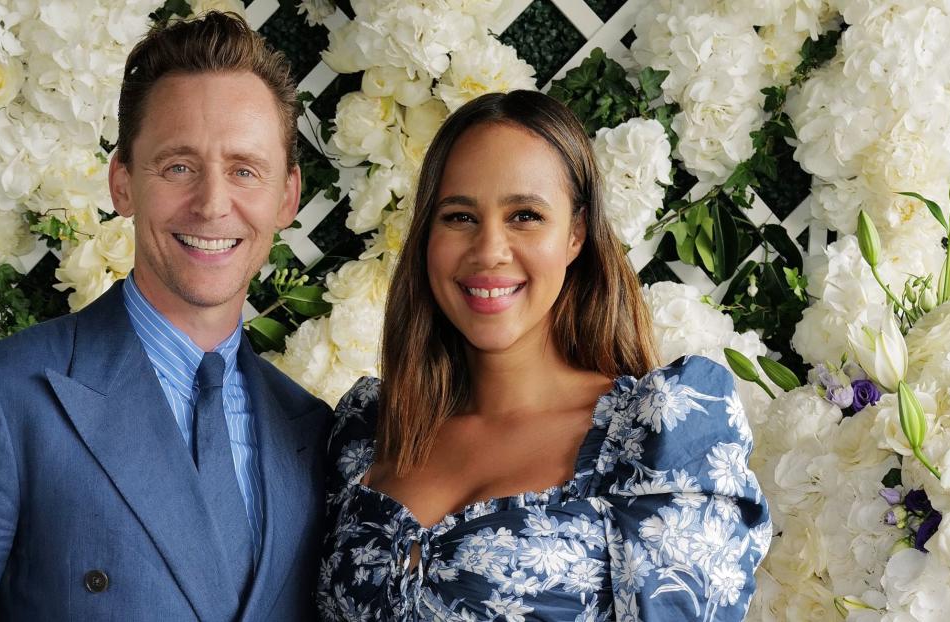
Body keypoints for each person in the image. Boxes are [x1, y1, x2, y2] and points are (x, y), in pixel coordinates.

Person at [0, 12, 330, 620]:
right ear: (122, 182)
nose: (213, 204)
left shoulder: (311, 430)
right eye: (178, 167)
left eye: (245, 171)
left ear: (287, 197)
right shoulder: (2, 403)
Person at [317, 91, 771, 621]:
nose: (489, 250)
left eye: (525, 215)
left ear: (576, 234)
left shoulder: (659, 439)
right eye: (459, 216)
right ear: (427, 235)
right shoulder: (369, 429)